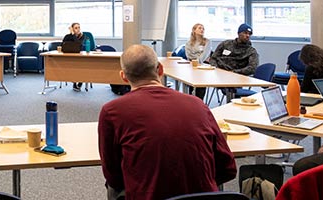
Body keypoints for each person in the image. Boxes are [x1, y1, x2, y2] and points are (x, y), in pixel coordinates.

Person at [98, 44, 237, 200]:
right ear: (160, 69)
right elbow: (228, 168)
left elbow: (113, 175)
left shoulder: (112, 111)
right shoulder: (197, 104)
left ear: (123, 76)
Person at [185, 23, 210, 99]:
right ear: (194, 30)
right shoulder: (189, 43)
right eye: (199, 28)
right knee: (192, 86)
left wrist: (198, 60)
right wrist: (196, 59)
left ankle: (200, 101)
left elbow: (205, 54)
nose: (202, 30)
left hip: (203, 67)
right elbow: (189, 55)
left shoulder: (207, 41)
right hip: (191, 66)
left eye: (203, 28)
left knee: (201, 88)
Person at [62, 23, 85, 92]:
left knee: (82, 67)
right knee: (72, 67)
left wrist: (73, 35)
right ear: (72, 29)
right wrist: (71, 35)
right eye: (76, 28)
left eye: (79, 27)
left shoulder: (82, 36)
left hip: (80, 57)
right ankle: (74, 83)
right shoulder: (67, 36)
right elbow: (63, 46)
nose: (78, 29)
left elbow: (78, 44)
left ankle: (80, 83)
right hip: (69, 57)